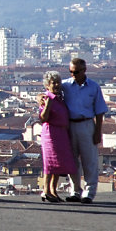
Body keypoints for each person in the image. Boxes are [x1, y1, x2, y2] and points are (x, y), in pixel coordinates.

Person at [61, 57, 108, 204]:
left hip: (87, 124)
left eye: (75, 72)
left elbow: (100, 111)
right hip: (70, 125)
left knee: (90, 160)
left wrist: (98, 131)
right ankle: (75, 190)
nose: (72, 75)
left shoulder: (93, 87)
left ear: (84, 70)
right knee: (72, 160)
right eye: (70, 72)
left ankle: (89, 192)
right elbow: (48, 92)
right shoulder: (65, 85)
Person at [38, 71, 76, 202]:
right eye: (53, 83)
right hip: (51, 133)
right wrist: (47, 105)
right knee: (49, 163)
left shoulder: (59, 98)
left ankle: (53, 190)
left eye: (58, 82)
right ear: (47, 85)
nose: (56, 85)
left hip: (61, 133)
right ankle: (46, 190)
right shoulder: (46, 98)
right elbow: (43, 118)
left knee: (57, 164)